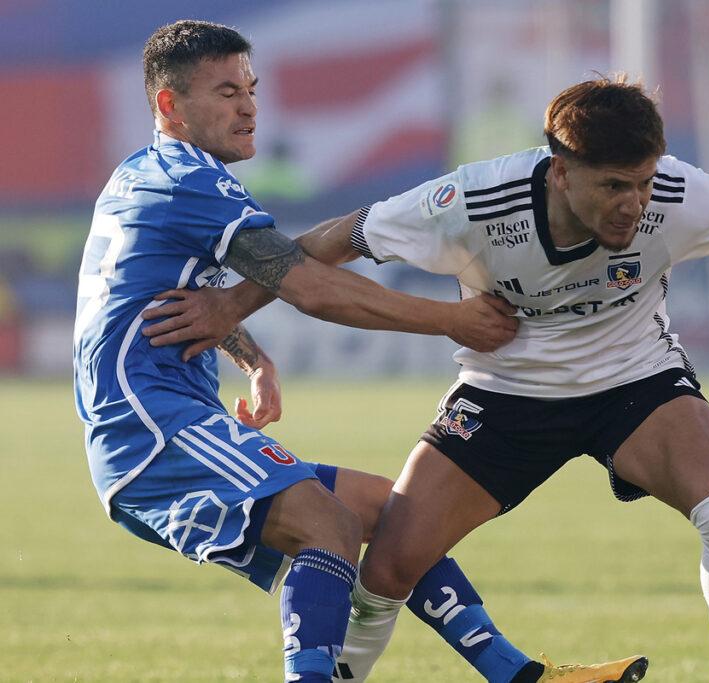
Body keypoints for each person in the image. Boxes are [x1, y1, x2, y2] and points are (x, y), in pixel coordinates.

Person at [144, 74, 709, 683]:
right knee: (392, 563)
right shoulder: (469, 201)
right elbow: (332, 239)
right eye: (615, 187)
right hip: (505, 396)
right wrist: (230, 307)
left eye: (644, 184)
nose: (634, 205)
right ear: (559, 172)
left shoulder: (677, 195)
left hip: (636, 380)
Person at [73, 21, 646, 683]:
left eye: (251, 89)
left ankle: (519, 675)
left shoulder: (146, 173)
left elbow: (169, 300)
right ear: (169, 105)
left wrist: (250, 355)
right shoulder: (190, 181)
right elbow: (312, 287)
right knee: (332, 526)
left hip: (156, 425)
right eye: (226, 91)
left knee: (396, 517)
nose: (249, 106)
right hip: (151, 429)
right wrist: (451, 319)